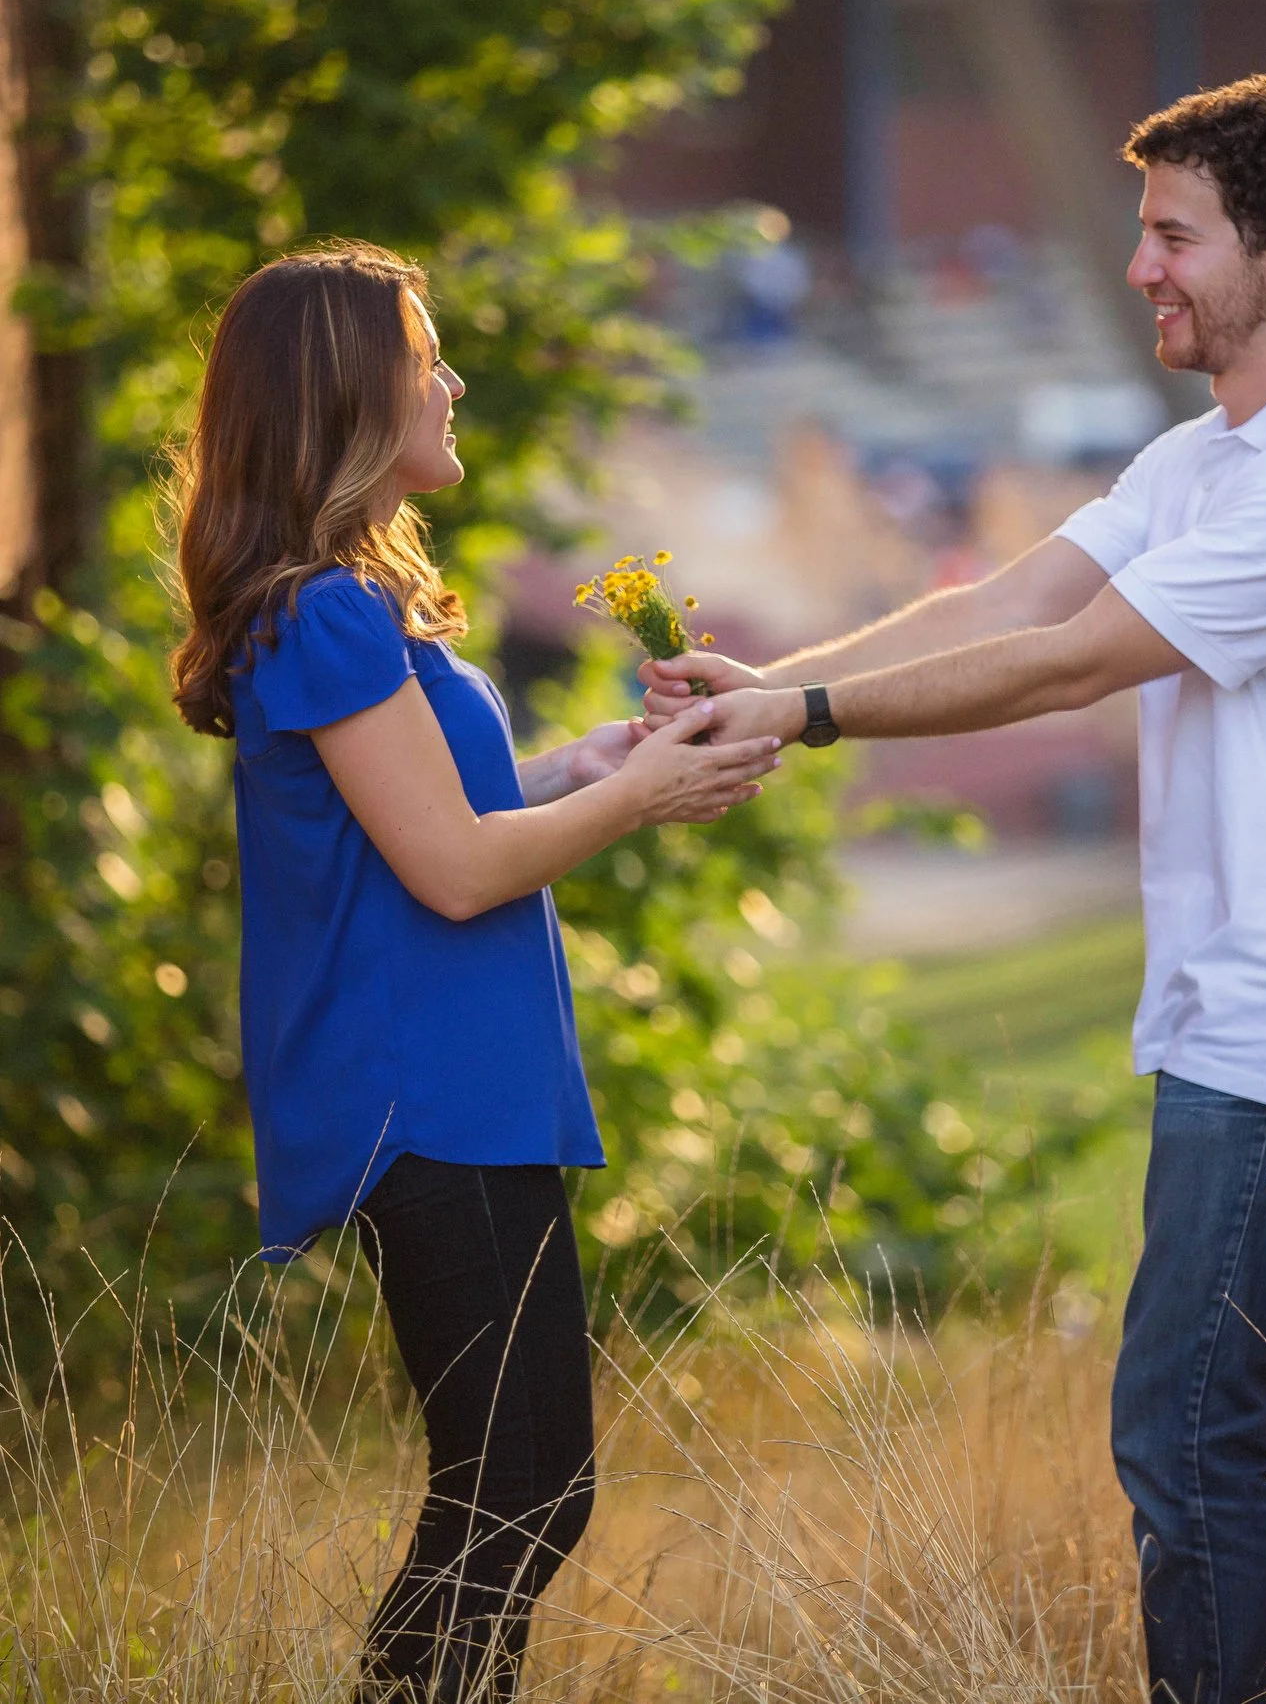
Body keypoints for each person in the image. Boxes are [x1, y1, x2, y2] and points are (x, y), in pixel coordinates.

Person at [643, 74, 1266, 1704]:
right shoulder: (1209, 458)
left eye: (1175, 234)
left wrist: (804, 718)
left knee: (1180, 1423)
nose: (1145, 264)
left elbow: (1072, 661)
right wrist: (775, 682)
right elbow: (1011, 595)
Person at [171, 239, 781, 1704]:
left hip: (470, 1092)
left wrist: (602, 760)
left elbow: (456, 806)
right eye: (424, 351)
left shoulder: (353, 605)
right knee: (517, 1490)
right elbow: (451, 867)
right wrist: (639, 802)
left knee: (520, 1485)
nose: (451, 377)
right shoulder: (315, 610)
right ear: (348, 391)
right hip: (422, 1101)